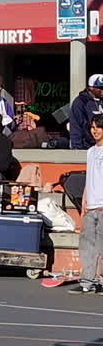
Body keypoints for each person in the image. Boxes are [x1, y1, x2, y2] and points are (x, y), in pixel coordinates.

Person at [72, 114, 103, 294]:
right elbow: (90, 177)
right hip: (91, 205)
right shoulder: (91, 151)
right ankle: (87, 281)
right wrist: (84, 199)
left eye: (98, 127)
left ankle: (100, 280)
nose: (95, 130)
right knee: (87, 244)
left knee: (101, 245)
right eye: (92, 127)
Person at [69, 76, 103, 150]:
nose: (102, 90)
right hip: (88, 147)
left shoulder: (101, 100)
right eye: (100, 88)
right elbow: (76, 126)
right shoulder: (80, 102)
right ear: (91, 88)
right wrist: (77, 148)